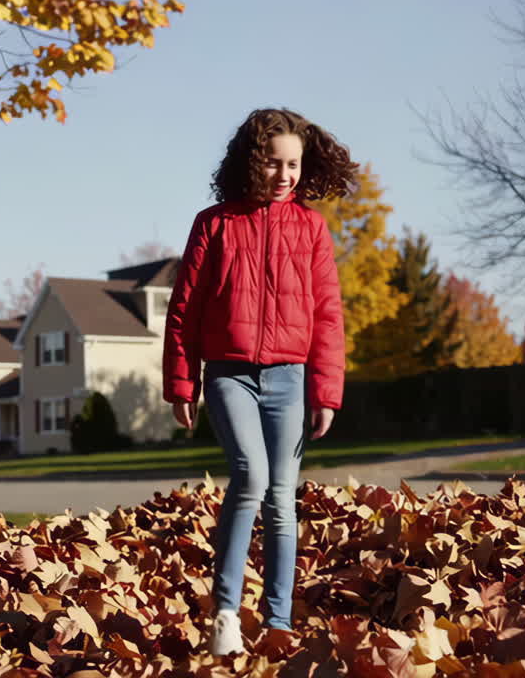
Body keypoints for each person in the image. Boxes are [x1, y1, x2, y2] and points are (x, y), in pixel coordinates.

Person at [162, 107, 352, 655]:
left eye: (293, 164)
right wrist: (183, 383)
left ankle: (279, 622)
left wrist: (325, 391)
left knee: (283, 500)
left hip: (291, 378)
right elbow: (185, 309)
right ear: (252, 163)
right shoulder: (215, 223)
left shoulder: (312, 228)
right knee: (250, 478)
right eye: (273, 163)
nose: (284, 175)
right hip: (229, 374)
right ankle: (225, 614)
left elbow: (327, 314)